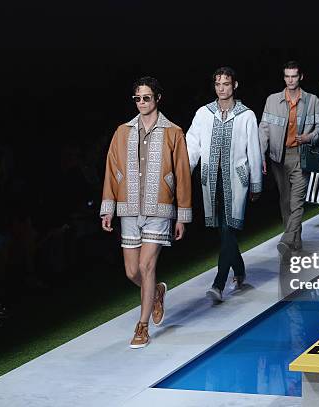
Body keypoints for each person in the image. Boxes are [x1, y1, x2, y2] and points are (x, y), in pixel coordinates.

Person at [100, 76, 192, 349]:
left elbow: (183, 174)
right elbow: (111, 170)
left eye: (146, 98)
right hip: (128, 208)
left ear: (158, 99)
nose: (141, 103)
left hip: (159, 208)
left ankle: (142, 327)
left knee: (146, 266)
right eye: (137, 98)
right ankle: (156, 293)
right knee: (131, 272)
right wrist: (108, 208)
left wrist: (182, 214)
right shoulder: (122, 132)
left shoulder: (173, 132)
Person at [186, 67, 262, 302]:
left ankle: (218, 284)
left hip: (237, 179)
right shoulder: (203, 113)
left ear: (235, 85)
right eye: (218, 84)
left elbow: (254, 150)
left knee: (229, 228)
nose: (221, 89)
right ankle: (238, 271)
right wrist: (185, 172)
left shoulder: (246, 114)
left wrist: (256, 182)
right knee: (224, 231)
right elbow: (192, 145)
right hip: (210, 179)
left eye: (226, 84)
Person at [259, 61, 319, 259]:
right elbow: (264, 130)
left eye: (294, 76)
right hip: (278, 157)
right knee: (285, 201)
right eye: (287, 76)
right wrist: (260, 155)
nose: (290, 80)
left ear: (301, 77)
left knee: (297, 201)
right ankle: (296, 243)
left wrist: (308, 137)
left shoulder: (312, 100)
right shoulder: (272, 100)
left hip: (300, 156)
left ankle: (286, 240)